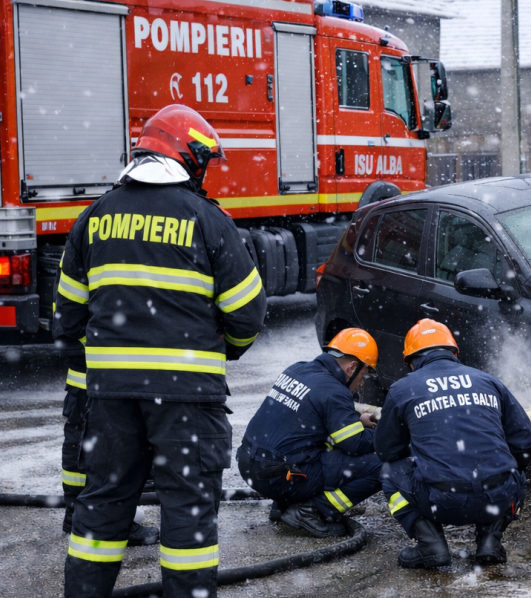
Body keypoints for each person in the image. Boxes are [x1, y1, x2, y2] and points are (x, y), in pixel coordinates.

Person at [55, 104, 267, 598]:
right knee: (187, 507)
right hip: (188, 398)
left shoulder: (94, 218)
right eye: (202, 160)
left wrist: (103, 366)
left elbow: (65, 321)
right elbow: (247, 315)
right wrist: (225, 350)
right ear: (187, 155)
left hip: (110, 398)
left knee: (103, 501)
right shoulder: (207, 220)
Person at [377, 319, 531, 568]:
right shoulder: (488, 381)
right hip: (497, 497)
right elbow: (525, 443)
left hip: (441, 501)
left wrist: (424, 450)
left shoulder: (402, 389)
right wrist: (496, 475)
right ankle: (490, 540)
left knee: (389, 472)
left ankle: (430, 544)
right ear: (454, 353)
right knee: (515, 471)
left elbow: (387, 451)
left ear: (411, 361)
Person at [238, 328, 384, 538]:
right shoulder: (334, 391)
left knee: (310, 441)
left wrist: (367, 420)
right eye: (364, 374)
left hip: (251, 466)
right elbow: (354, 443)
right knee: (381, 466)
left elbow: (320, 416)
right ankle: (311, 510)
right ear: (352, 367)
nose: (362, 382)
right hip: (278, 476)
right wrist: (387, 436)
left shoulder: (297, 370)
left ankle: (284, 503)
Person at [55, 335, 158, 546]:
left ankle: (77, 515)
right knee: (110, 449)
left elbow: (67, 322)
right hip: (109, 373)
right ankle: (106, 522)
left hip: (90, 368)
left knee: (81, 441)